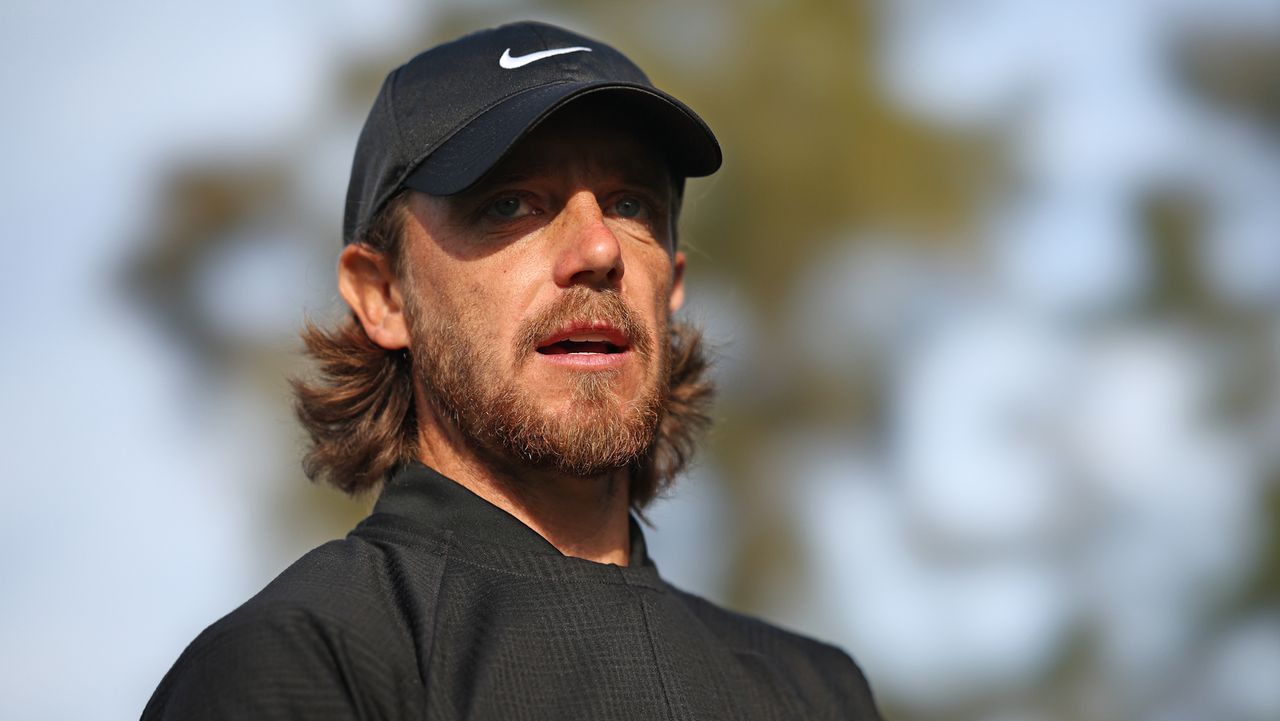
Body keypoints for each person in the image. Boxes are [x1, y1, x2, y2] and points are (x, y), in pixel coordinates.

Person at [143, 21, 882, 721]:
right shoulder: (303, 663)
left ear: (673, 285)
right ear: (384, 294)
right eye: (509, 203)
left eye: (630, 203)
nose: (598, 248)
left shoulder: (814, 692)